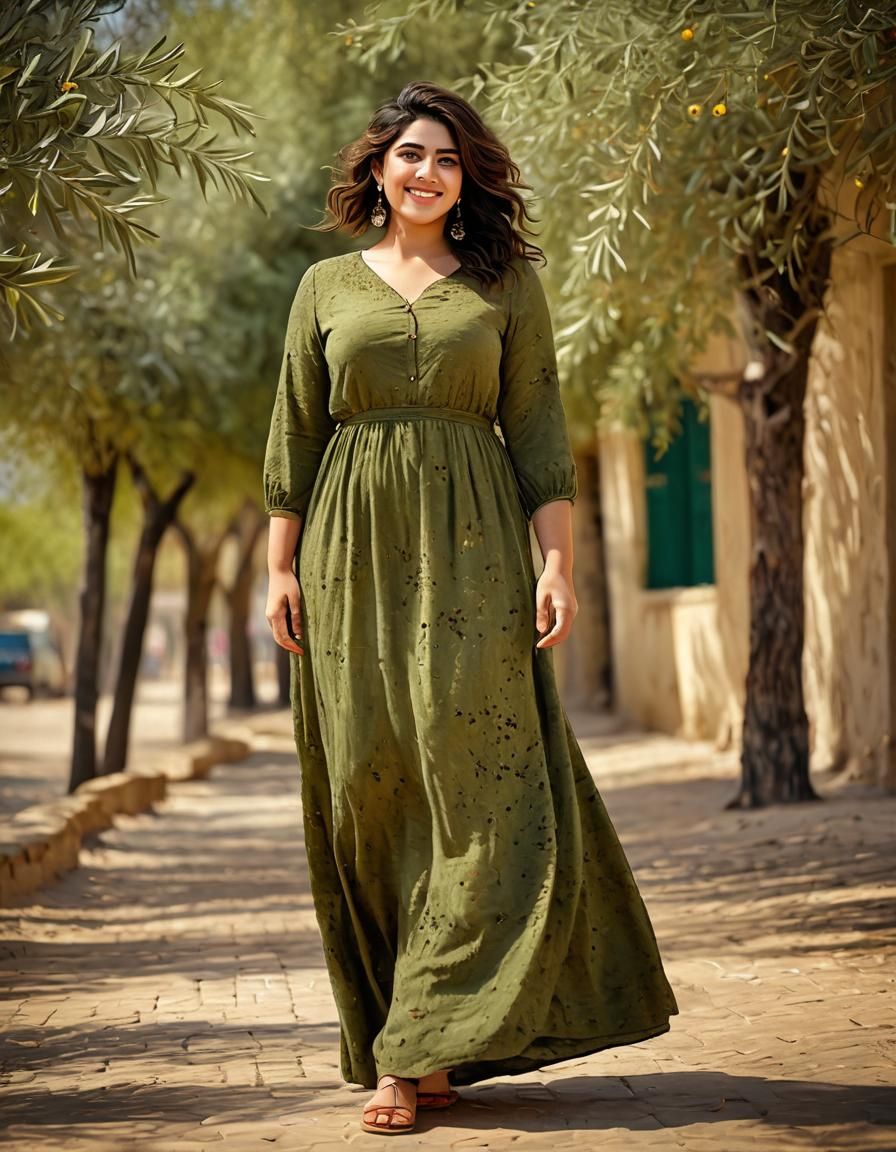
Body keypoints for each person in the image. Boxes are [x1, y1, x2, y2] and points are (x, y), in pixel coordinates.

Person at [263, 80, 679, 1137]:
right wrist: (279, 569)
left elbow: (537, 430)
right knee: (373, 794)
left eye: (445, 159)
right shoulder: (321, 289)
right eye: (410, 154)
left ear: (465, 181)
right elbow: (295, 440)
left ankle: (409, 1056)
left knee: (481, 793)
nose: (426, 173)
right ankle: (422, 1035)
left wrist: (558, 566)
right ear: (377, 169)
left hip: (476, 556)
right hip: (349, 559)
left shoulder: (503, 286)